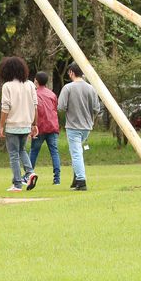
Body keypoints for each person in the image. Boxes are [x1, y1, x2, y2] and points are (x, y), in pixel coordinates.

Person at [58, 63, 101, 191]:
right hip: (87, 127)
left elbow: (60, 107)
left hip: (73, 126)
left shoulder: (68, 88)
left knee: (76, 153)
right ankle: (76, 179)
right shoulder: (91, 88)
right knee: (77, 152)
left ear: (71, 72)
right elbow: (96, 108)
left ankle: (81, 181)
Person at [0, 56, 38, 192]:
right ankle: (30, 172)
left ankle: (17, 183)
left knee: (14, 154)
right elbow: (35, 106)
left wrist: (1, 126)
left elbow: (5, 108)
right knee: (22, 150)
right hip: (26, 124)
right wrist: (34, 124)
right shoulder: (30, 85)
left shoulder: (7, 86)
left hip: (12, 125)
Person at [29, 71, 62, 185]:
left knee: (34, 151)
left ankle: (29, 174)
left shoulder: (34, 94)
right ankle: (57, 178)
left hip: (40, 127)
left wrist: (31, 126)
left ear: (36, 81)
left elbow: (33, 111)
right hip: (52, 126)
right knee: (54, 152)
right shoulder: (52, 94)